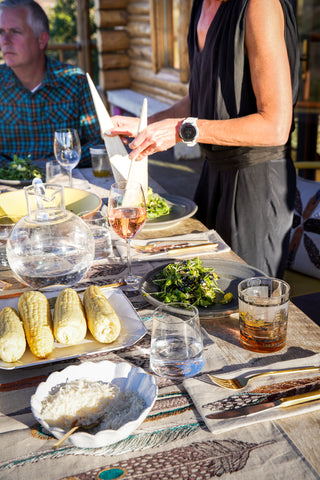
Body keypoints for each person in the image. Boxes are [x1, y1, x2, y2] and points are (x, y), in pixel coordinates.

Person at [107, 0, 300, 278]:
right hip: (213, 176)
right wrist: (147, 124)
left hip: (256, 186)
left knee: (243, 305)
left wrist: (183, 130)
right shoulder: (200, 7)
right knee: (201, 286)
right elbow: (206, 93)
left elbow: (275, 126)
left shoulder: (260, 6)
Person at [0, 0, 101, 167]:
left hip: (65, 183)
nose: (5, 40)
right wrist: (16, 169)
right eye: (1, 32)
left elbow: (99, 145)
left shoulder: (75, 82)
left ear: (41, 40)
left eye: (15, 32)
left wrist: (51, 164)